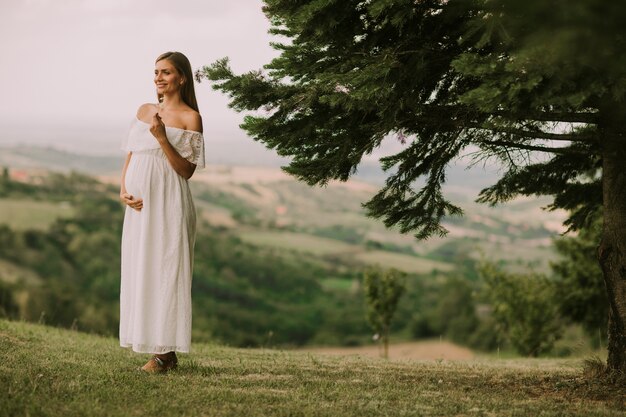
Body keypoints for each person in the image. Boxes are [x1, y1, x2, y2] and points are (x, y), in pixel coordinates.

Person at [118, 51, 205, 373]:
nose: (158, 77)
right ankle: (156, 347)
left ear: (181, 77)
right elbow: (131, 154)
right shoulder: (144, 110)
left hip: (169, 203)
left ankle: (164, 354)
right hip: (139, 206)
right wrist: (123, 190)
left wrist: (162, 137)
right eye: (156, 72)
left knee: (166, 269)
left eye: (166, 72)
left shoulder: (190, 117)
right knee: (141, 268)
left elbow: (186, 171)